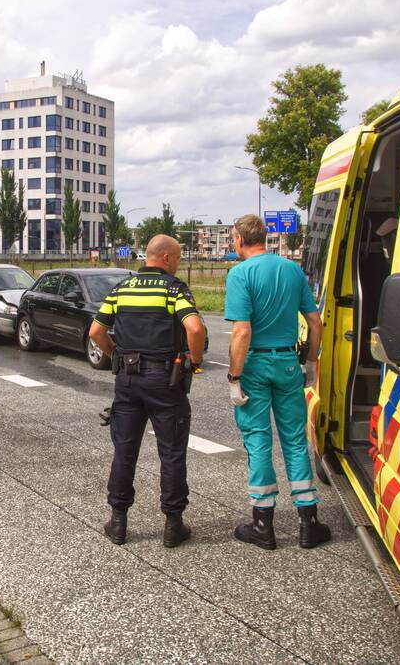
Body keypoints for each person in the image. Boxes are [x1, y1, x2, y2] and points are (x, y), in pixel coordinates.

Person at [88, 235, 206, 548]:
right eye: (177, 258)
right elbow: (195, 328)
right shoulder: (173, 289)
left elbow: (96, 331)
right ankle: (173, 525)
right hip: (165, 381)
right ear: (166, 258)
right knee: (172, 452)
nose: (178, 263)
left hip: (128, 380)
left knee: (124, 451)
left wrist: (115, 354)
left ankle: (118, 522)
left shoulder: (121, 289)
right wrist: (194, 361)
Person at [224, 214, 330, 550]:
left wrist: (234, 377)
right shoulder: (292, 270)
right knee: (295, 440)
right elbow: (315, 322)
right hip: (287, 362)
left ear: (240, 239)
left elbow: (242, 332)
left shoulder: (240, 274)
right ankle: (308, 522)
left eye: (233, 238)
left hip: (255, 364)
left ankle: (263, 524)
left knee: (258, 440)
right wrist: (310, 362)